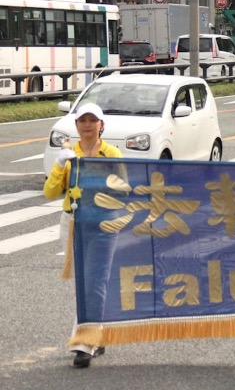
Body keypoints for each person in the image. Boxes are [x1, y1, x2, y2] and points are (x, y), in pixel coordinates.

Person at [43, 103, 123, 368]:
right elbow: (50, 193)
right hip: (74, 225)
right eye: (83, 120)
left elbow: (124, 190)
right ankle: (96, 335)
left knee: (95, 282)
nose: (88, 125)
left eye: (93, 120)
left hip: (103, 224)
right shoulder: (70, 154)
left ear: (102, 125)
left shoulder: (111, 154)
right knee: (83, 284)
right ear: (76, 125)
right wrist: (59, 165)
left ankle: (84, 343)